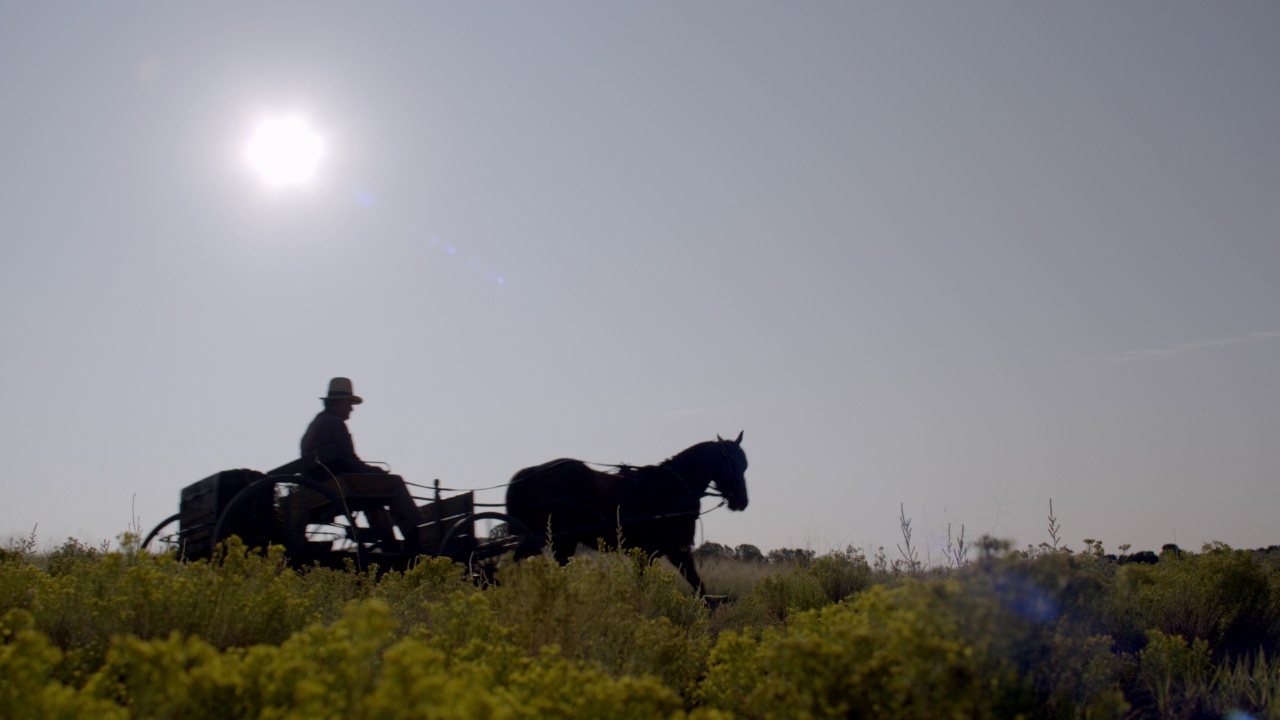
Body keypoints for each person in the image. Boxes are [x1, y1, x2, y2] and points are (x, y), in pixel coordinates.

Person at [300, 377, 388, 478]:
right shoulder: (335, 423)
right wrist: (374, 471)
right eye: (349, 404)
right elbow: (349, 461)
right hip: (331, 479)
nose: (351, 409)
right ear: (338, 403)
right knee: (395, 483)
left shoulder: (318, 422)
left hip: (317, 478)